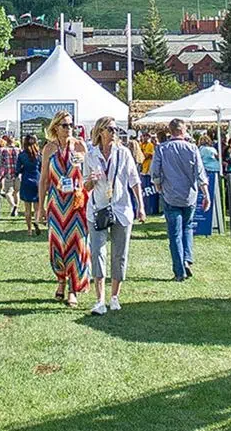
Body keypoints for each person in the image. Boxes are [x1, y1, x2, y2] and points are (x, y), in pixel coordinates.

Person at [84, 117, 145, 315]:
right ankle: (99, 299)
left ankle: (115, 296)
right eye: (110, 129)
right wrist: (91, 182)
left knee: (119, 253)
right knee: (97, 252)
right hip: (98, 209)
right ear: (100, 131)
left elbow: (134, 180)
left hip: (121, 208)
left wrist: (140, 206)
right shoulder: (91, 155)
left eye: (115, 129)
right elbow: (84, 185)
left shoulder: (123, 153)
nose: (114, 132)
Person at [39, 112, 89, 305]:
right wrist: (40, 207)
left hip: (76, 203)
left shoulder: (80, 146)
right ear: (56, 127)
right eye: (65, 125)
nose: (69, 129)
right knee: (57, 245)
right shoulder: (49, 149)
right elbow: (43, 179)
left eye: (71, 125)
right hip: (56, 204)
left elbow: (88, 173)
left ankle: (73, 289)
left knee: (77, 244)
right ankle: (61, 279)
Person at [152, 118, 209, 281]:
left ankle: (179, 271)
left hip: (170, 194)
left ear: (170, 131)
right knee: (188, 227)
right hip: (189, 195)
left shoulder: (161, 149)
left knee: (174, 233)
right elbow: (200, 173)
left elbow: (155, 172)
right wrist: (205, 194)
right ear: (183, 131)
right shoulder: (192, 148)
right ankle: (187, 259)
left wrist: (158, 187)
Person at [16, 133, 42, 236]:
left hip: (26, 181)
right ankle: (36, 221)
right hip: (37, 181)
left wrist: (22, 170)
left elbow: (17, 169)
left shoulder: (22, 155)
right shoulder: (39, 155)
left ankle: (29, 230)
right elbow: (41, 169)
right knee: (37, 207)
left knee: (27, 208)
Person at [0, 135, 22, 217]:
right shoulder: (18, 150)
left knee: (8, 193)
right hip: (18, 174)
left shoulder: (4, 151)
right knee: (16, 192)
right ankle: (16, 210)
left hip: (8, 174)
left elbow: (1, 162)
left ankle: (13, 205)